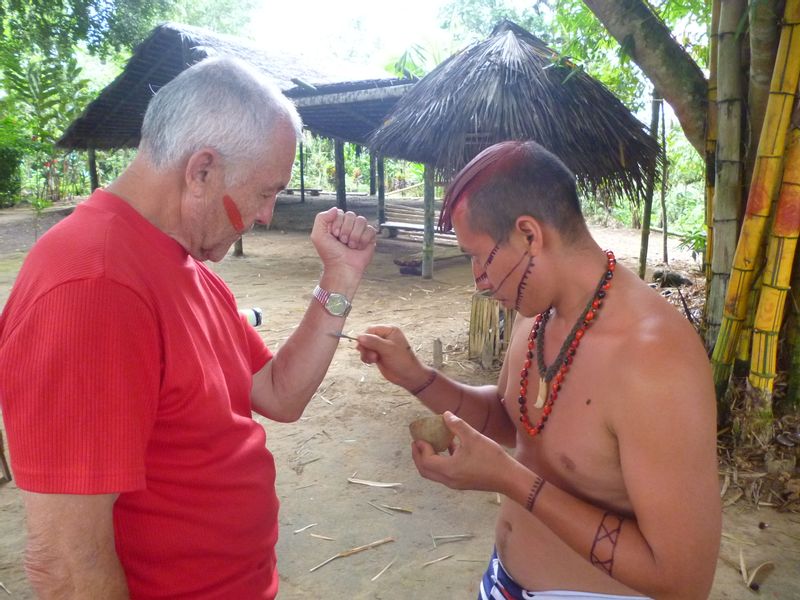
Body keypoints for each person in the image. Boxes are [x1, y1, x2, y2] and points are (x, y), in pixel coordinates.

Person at [0, 56, 376, 599]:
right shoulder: (92, 285)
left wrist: (339, 278)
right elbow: (66, 563)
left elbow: (277, 393)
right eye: (265, 192)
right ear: (201, 172)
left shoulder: (183, 266)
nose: (268, 214)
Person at [357, 140, 720, 600]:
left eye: (477, 256)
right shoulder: (536, 314)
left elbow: (681, 579)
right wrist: (417, 377)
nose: (478, 280)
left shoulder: (653, 359)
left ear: (529, 235)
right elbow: (514, 420)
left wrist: (510, 479)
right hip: (502, 580)